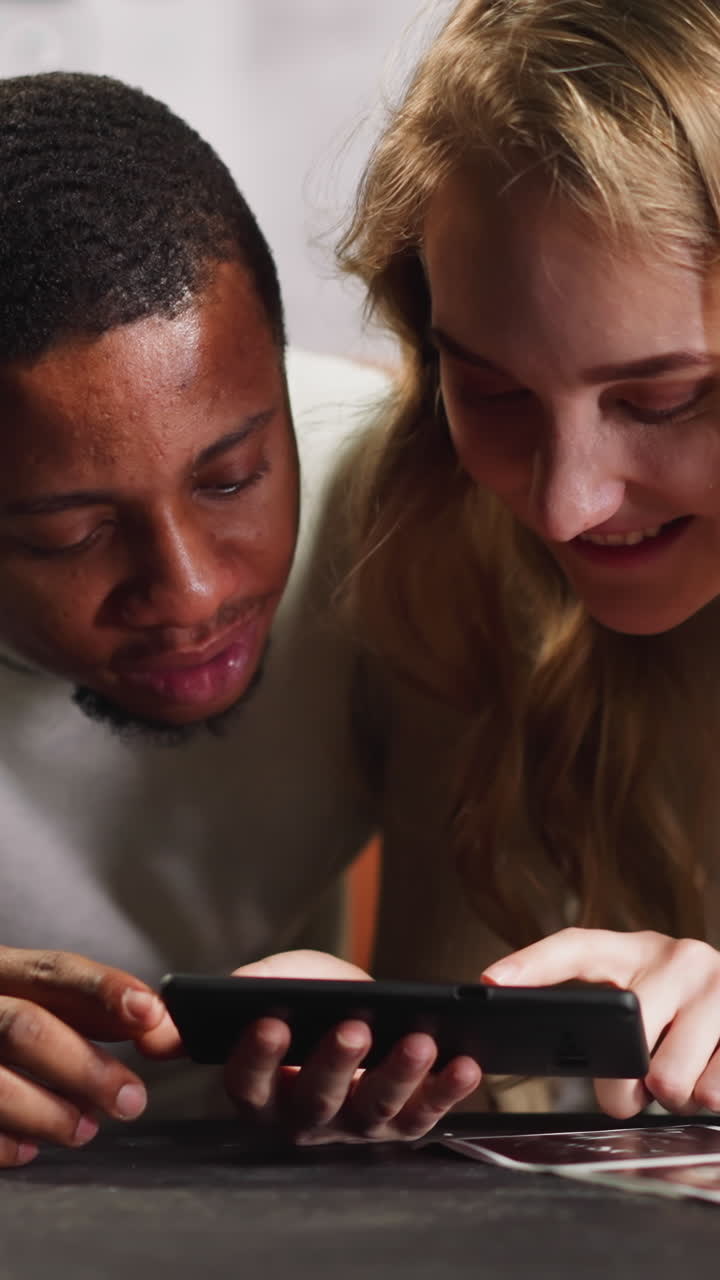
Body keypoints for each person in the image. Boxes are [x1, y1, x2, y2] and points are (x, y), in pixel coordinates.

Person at [0, 70, 483, 1168]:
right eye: (68, 534)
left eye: (233, 477)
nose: (191, 592)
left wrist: (396, 1076)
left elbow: (473, 1051)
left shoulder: (403, 497)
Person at [329, 0, 720, 1120]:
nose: (563, 503)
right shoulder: (431, 524)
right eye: (492, 391)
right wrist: (363, 1052)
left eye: (663, 399)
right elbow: (471, 1118)